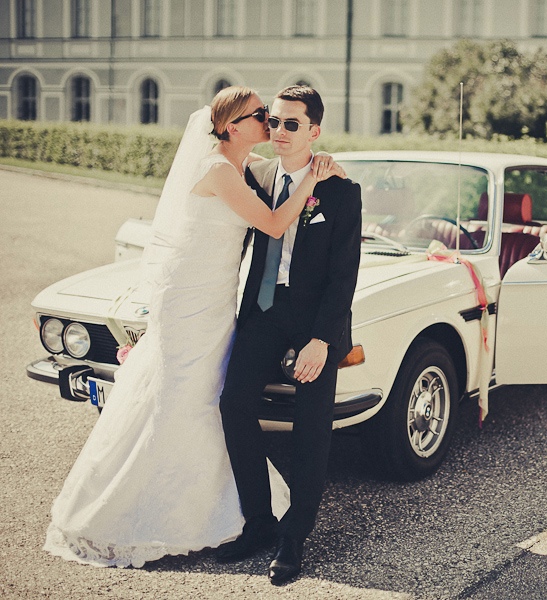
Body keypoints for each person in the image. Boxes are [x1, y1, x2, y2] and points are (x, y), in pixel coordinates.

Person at [43, 86, 343, 568]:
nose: (271, 123)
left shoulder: (248, 167)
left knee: (206, 399)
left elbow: (287, 171)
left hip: (218, 301)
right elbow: (270, 224)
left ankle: (220, 509)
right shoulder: (218, 169)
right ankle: (157, 511)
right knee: (186, 397)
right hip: (191, 299)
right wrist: (311, 183)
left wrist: (322, 167)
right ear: (231, 125)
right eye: (262, 116)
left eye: (279, 118)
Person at [216, 85, 362, 585]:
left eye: (291, 124)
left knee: (311, 426)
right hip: (262, 309)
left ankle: (294, 535)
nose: (279, 131)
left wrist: (322, 339)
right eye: (273, 122)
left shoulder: (342, 190)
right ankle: (257, 522)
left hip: (314, 321)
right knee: (233, 404)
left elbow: (345, 273)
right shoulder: (256, 175)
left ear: (314, 131)